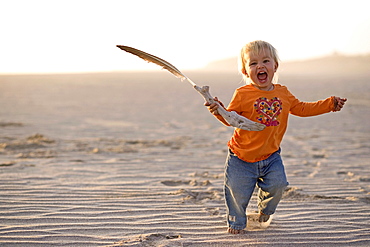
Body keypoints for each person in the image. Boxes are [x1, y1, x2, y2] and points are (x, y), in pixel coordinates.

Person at [205, 40, 347, 234]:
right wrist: (218, 110)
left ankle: (265, 209)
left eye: (265, 61)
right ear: (246, 71)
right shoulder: (242, 93)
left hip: (271, 156)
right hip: (241, 157)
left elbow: (303, 108)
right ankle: (237, 222)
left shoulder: (283, 93)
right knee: (236, 193)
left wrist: (329, 104)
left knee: (278, 185)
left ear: (275, 66)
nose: (260, 66)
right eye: (253, 63)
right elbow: (231, 119)